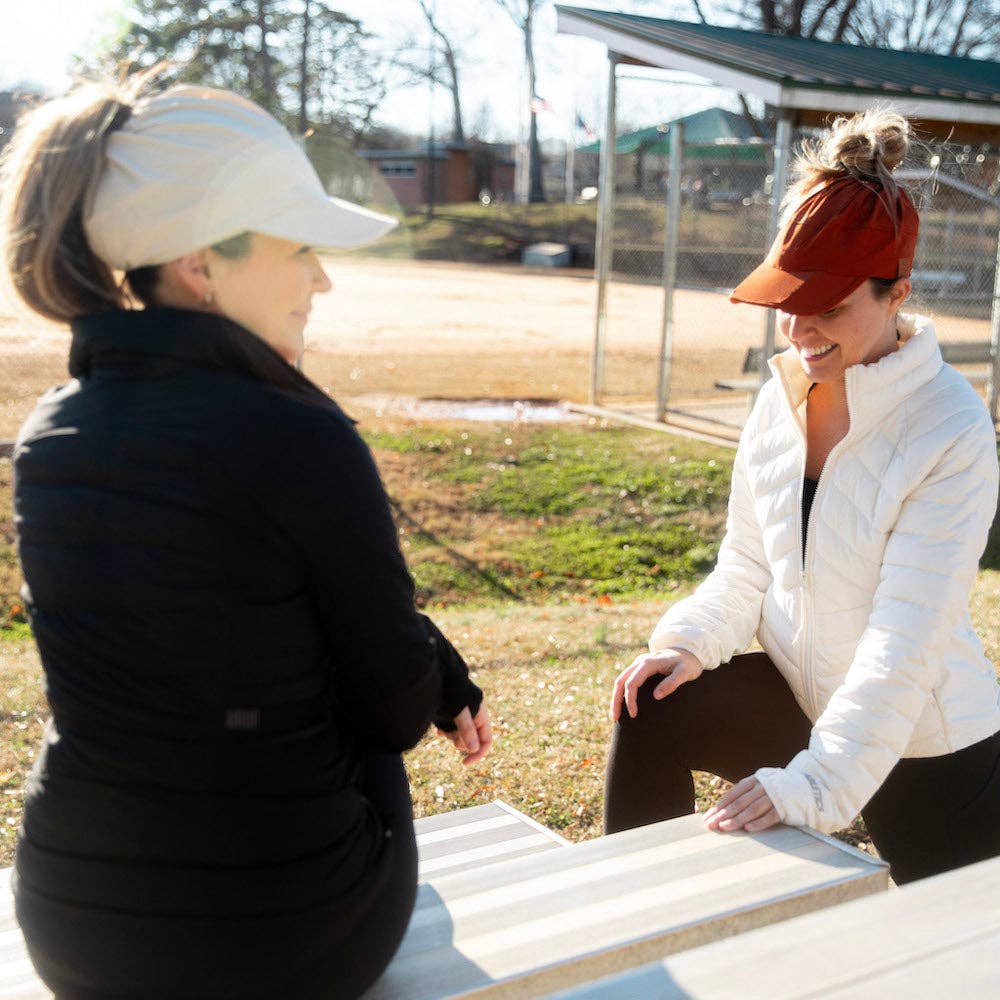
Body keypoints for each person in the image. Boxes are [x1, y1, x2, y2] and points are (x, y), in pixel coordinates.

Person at [2, 72, 491, 999]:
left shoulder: (49, 435)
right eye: (298, 246)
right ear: (201, 263)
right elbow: (390, 709)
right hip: (283, 948)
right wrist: (425, 669)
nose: (321, 278)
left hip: (72, 934)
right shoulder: (300, 433)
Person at [605, 108, 1000, 886]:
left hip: (926, 736)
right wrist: (687, 642)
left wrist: (815, 786)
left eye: (829, 308)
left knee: (952, 962)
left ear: (898, 294)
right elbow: (749, 566)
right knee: (653, 699)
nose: (800, 330)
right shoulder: (779, 399)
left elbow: (903, 645)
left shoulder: (950, 428)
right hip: (803, 702)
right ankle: (641, 942)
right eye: (791, 301)